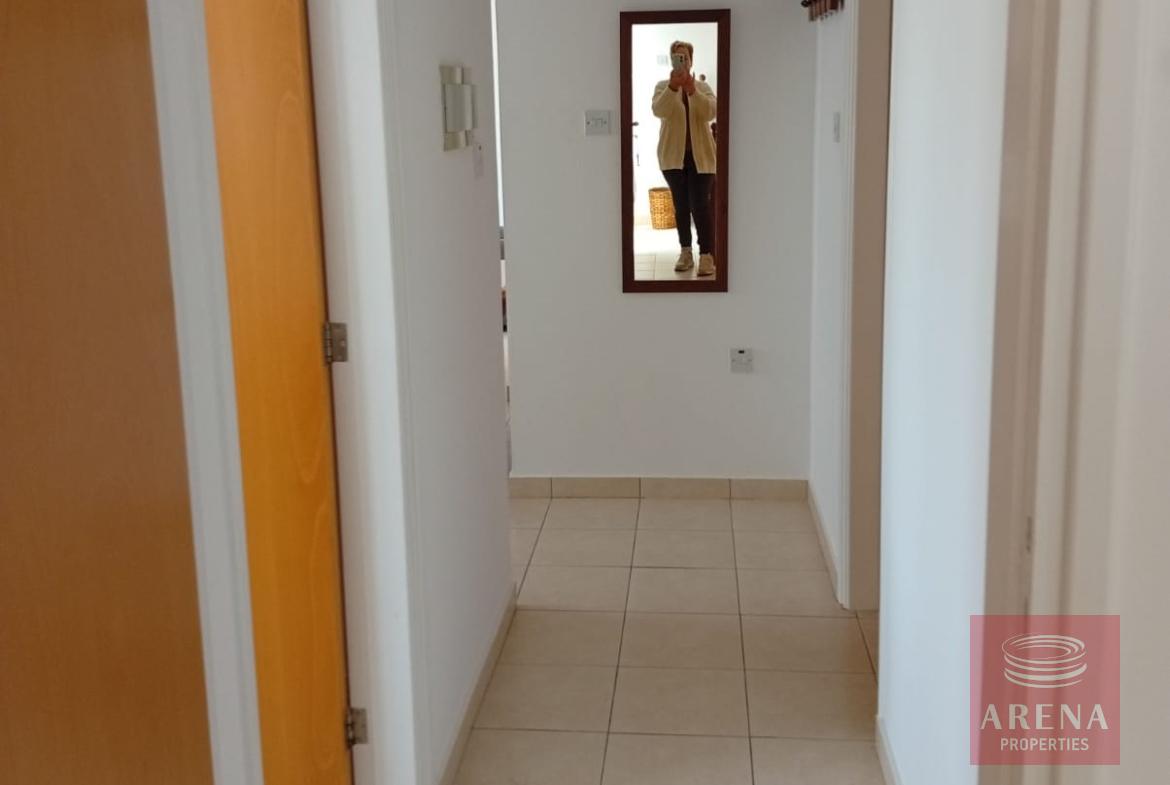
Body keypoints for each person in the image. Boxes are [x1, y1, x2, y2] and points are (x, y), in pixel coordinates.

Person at [652, 40, 717, 277]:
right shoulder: (663, 87)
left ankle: (707, 255)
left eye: (686, 58)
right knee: (681, 206)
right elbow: (659, 110)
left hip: (703, 158)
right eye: (677, 57)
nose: (683, 61)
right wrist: (673, 87)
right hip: (672, 158)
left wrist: (692, 91)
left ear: (691, 61)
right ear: (672, 61)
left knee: (700, 205)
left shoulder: (703, 87)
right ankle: (686, 252)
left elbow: (710, 112)